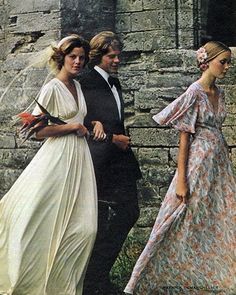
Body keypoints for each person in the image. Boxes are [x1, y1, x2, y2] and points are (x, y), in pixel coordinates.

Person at [124, 41, 236, 295]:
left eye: (229, 62)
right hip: (197, 163)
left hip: (218, 165)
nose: (227, 67)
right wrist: (182, 179)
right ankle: (146, 278)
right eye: (223, 62)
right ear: (207, 63)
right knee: (180, 214)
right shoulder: (194, 92)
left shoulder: (220, 93)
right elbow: (184, 139)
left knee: (218, 217)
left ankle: (212, 276)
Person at [0, 34, 105, 295]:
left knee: (85, 228)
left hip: (79, 160)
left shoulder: (78, 87)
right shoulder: (52, 88)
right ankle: (31, 281)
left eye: (82, 57)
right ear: (62, 58)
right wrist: (71, 126)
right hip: (57, 159)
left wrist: (94, 123)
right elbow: (36, 132)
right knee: (41, 218)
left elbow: (82, 118)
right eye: (73, 57)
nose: (78, 62)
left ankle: (63, 285)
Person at [79, 31, 142, 295]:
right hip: (100, 163)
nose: (117, 60)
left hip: (120, 163)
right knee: (104, 221)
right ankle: (95, 282)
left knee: (129, 212)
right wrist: (112, 140)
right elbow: (80, 123)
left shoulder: (113, 83)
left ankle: (97, 278)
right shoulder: (87, 82)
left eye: (118, 56)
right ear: (98, 56)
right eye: (111, 56)